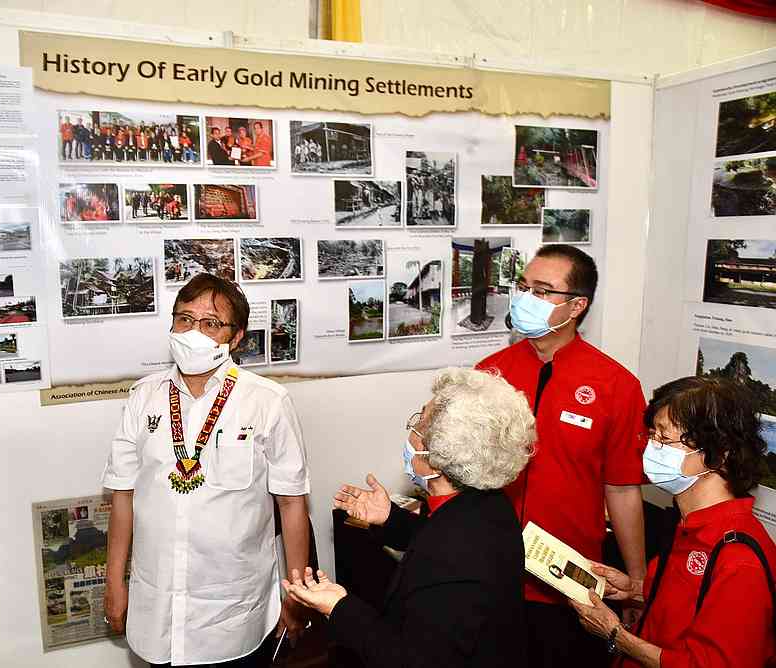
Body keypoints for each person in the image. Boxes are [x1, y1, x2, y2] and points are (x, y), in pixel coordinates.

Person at [102, 273, 311, 667]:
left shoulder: (267, 402)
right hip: (157, 608)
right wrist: (114, 581)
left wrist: (297, 597)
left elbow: (291, 504)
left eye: (211, 323)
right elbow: (122, 495)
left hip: (234, 615)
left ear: (237, 338)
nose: (193, 332)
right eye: (184, 319)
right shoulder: (143, 396)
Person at [283, 367, 534, 667]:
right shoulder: (488, 504)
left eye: (419, 426)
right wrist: (391, 519)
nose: (411, 432)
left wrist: (338, 607)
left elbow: (410, 659)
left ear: (439, 459)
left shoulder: (456, 553)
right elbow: (437, 537)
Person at [476, 244, 647, 668]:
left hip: (569, 577)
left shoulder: (616, 385)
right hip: (490, 570)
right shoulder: (488, 374)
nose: (525, 298)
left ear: (577, 306)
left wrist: (637, 581)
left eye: (542, 289)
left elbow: (623, 489)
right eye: (522, 286)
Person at [571, 377, 776, 666]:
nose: (651, 448)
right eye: (652, 435)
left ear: (717, 453)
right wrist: (634, 590)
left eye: (664, 439)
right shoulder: (688, 525)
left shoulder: (738, 561)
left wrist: (616, 634)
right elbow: (686, 609)